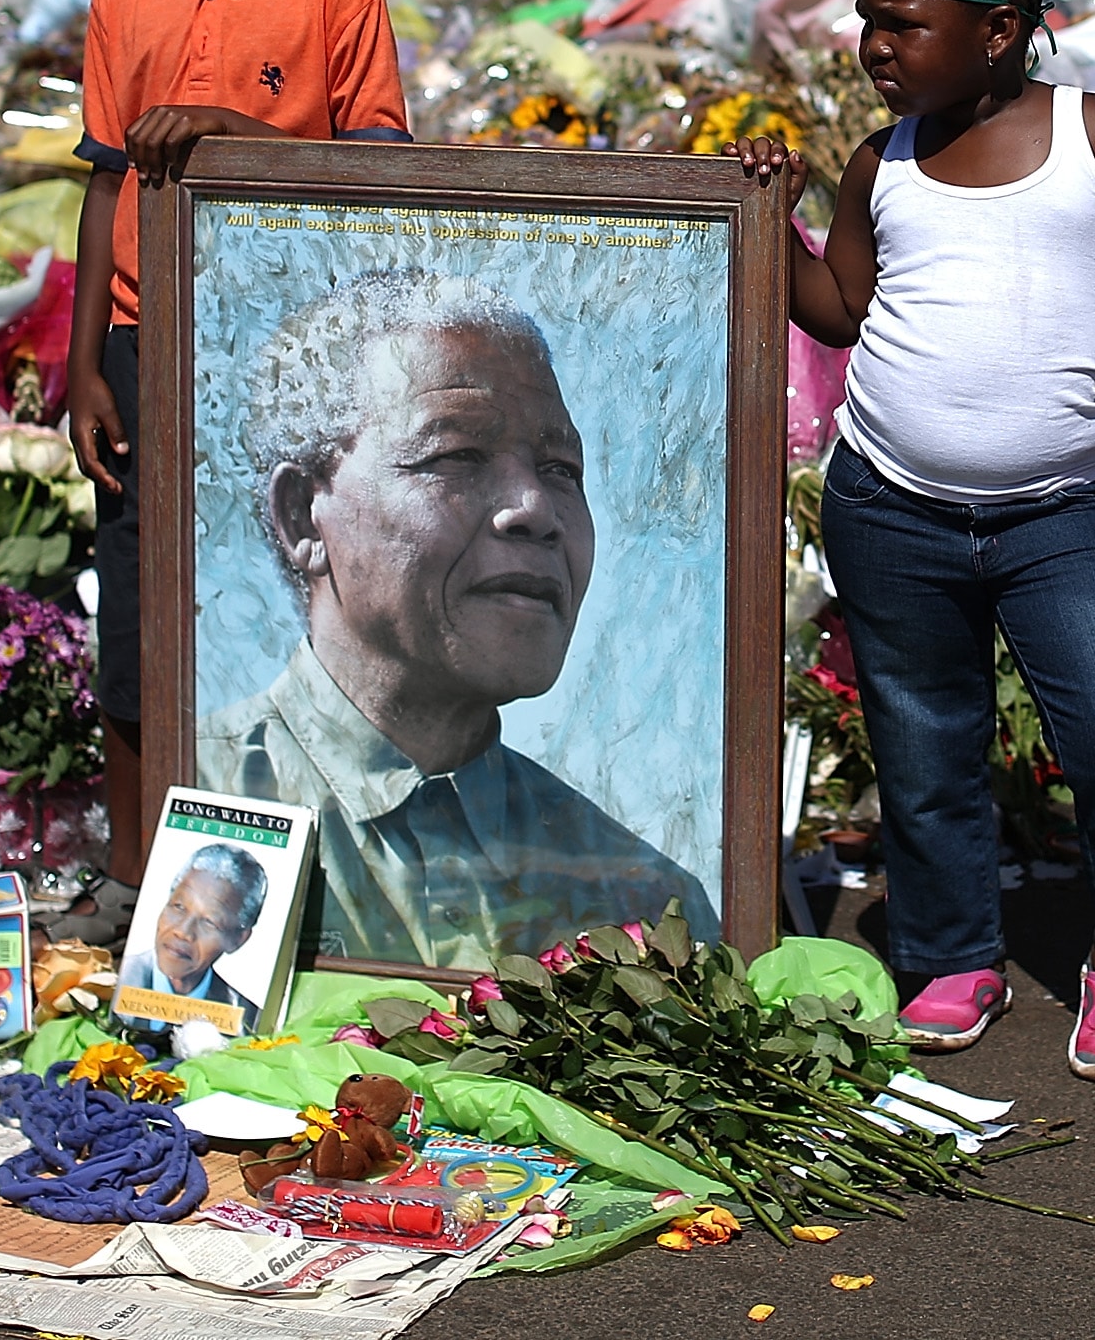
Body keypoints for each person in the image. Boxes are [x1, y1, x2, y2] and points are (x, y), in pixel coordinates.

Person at [734, 0, 1095, 1082]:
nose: (876, 46)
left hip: (1056, 518)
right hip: (889, 506)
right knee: (925, 744)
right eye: (868, 19)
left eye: (904, 23)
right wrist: (777, 218)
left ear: (1003, 24)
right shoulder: (881, 164)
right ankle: (952, 951)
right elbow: (842, 312)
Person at [55, 0, 413, 946]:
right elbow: (104, 178)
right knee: (137, 610)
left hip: (283, 358)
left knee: (280, 609)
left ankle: (296, 881)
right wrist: (83, 363)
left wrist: (240, 135)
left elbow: (379, 180)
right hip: (144, 349)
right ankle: (127, 860)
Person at [198, 272, 718, 968]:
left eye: (562, 469)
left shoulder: (644, 911)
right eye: (456, 457)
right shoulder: (194, 804)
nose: (534, 507)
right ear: (302, 515)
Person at [120, 840, 266, 1029]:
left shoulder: (245, 1021)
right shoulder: (115, 983)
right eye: (179, 907)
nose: (182, 932)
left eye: (209, 922)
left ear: (238, 939)